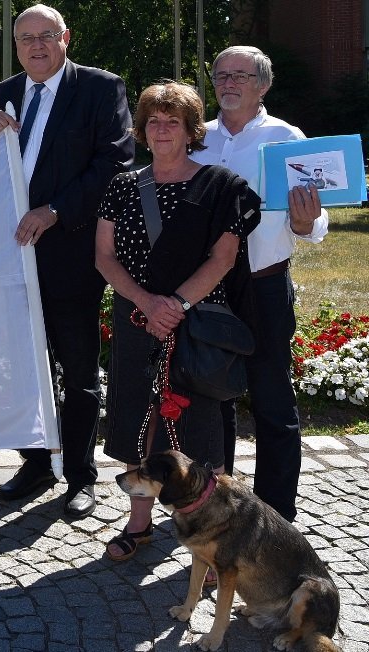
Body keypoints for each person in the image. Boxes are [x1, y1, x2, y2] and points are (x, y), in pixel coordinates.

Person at [0, 3, 134, 518]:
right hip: (12, 256)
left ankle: (80, 475)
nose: (36, 46)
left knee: (79, 371)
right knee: (25, 368)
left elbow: (116, 162)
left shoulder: (99, 87)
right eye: (26, 39)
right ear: (16, 46)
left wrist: (54, 210)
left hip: (70, 252)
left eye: (46, 36)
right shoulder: (4, 94)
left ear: (66, 38)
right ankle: (35, 463)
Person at [96, 81, 259, 561]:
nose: (162, 129)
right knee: (135, 419)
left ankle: (212, 537)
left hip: (196, 325)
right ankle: (139, 522)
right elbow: (104, 257)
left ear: (191, 131)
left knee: (200, 426)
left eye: (173, 121)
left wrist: (175, 306)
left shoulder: (221, 185)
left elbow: (223, 258)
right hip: (135, 318)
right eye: (153, 121)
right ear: (142, 131)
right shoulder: (123, 186)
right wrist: (148, 304)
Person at [190, 46, 327, 522]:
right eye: (221, 75)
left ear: (263, 85)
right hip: (206, 288)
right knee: (211, 402)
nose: (228, 83)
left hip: (264, 286)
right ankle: (213, 508)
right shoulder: (196, 136)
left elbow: (317, 218)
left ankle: (275, 516)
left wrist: (307, 222)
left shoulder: (287, 138)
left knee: (272, 404)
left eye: (240, 76)